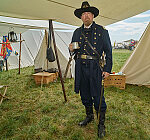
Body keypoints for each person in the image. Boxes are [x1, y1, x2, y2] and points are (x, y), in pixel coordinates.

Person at [69, 1, 112, 138]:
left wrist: (107, 69)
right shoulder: (76, 32)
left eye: (88, 13)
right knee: (85, 95)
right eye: (83, 14)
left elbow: (109, 52)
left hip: (95, 68)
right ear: (81, 17)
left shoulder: (102, 31)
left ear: (93, 16)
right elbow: (73, 52)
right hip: (81, 67)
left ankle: (101, 124)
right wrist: (70, 50)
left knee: (98, 97)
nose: (86, 16)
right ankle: (89, 116)